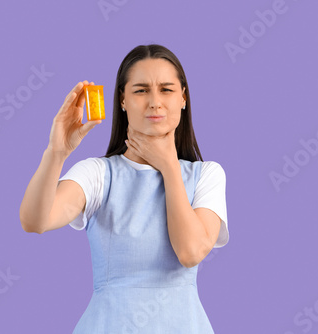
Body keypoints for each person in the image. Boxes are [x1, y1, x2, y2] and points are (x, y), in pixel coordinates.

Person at [19, 44, 229, 333]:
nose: (155, 102)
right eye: (141, 90)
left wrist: (168, 166)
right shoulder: (98, 174)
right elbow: (35, 221)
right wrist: (56, 151)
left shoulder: (207, 175)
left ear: (183, 98)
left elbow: (190, 251)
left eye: (166, 90)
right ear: (122, 101)